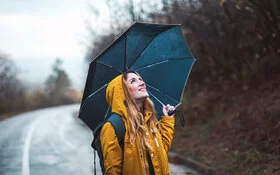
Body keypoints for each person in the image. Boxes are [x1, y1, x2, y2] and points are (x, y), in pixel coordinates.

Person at [100, 70, 175, 175]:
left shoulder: (149, 120)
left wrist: (167, 120)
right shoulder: (112, 127)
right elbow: (113, 172)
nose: (142, 83)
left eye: (140, 79)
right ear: (122, 92)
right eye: (133, 81)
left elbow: (161, 153)